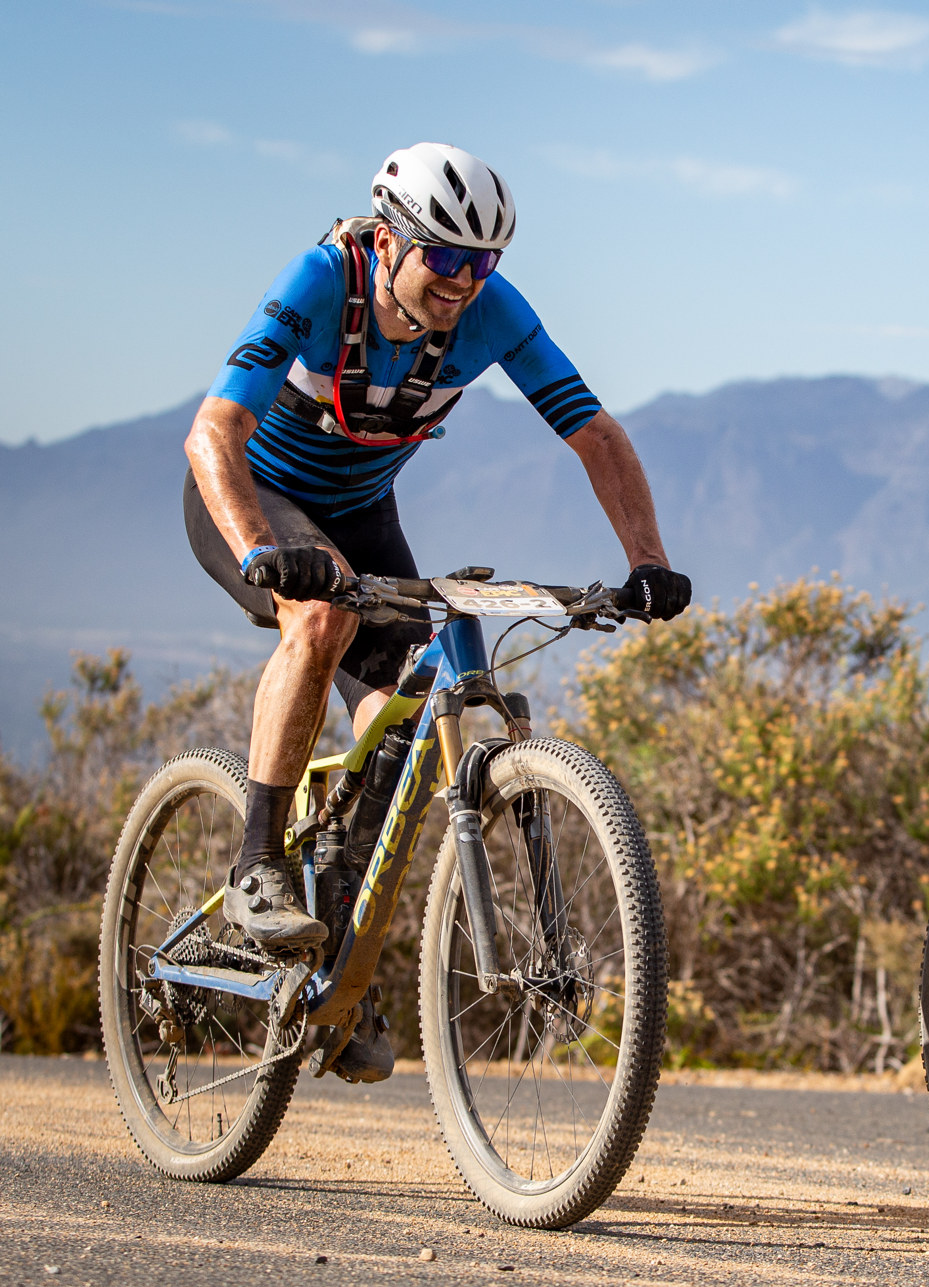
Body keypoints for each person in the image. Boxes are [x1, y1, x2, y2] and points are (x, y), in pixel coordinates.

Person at [182, 142, 690, 1080]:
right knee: (321, 620)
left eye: (482, 260)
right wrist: (258, 545)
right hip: (254, 498)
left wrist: (648, 561)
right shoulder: (320, 282)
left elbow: (594, 432)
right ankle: (257, 862)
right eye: (445, 255)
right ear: (387, 240)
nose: (463, 279)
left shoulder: (492, 312)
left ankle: (337, 957)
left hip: (360, 514)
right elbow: (215, 430)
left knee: (406, 715)